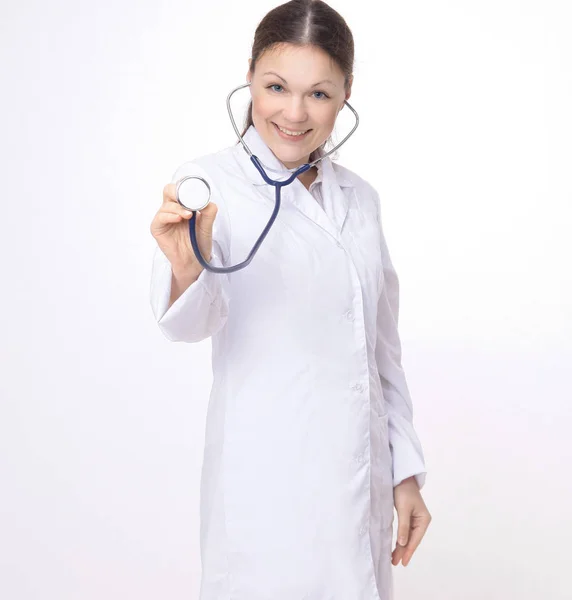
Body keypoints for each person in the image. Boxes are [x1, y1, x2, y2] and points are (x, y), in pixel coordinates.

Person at [149, 1, 431, 598]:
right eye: (276, 87)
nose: (294, 114)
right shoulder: (210, 182)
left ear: (346, 93)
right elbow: (189, 325)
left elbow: (381, 352)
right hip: (266, 487)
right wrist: (184, 266)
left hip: (360, 484)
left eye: (320, 94)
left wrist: (404, 472)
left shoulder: (361, 198)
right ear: (250, 75)